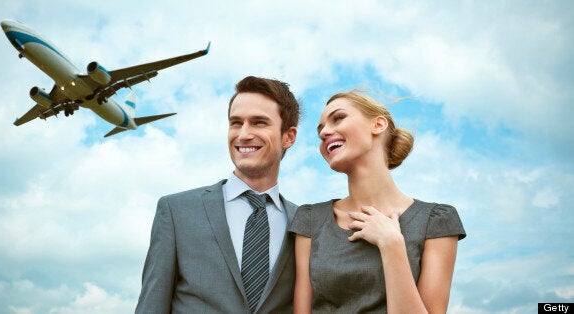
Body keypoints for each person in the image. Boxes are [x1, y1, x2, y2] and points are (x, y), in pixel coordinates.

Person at [289, 90, 466, 313]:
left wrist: (392, 245)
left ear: (378, 125)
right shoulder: (310, 220)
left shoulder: (435, 221)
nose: (325, 132)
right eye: (320, 130)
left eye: (338, 118)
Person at [135, 76, 301, 314]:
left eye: (259, 123)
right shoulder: (176, 211)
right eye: (236, 123)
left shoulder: (304, 224)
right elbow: (152, 305)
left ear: (289, 136)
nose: (243, 134)